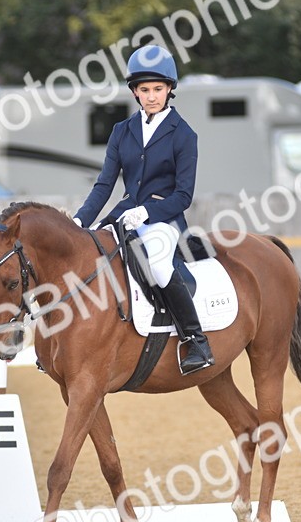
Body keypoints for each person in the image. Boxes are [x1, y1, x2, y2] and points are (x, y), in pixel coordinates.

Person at [73, 45, 213, 375]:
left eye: (158, 89)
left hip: (163, 220)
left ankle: (195, 340)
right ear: (135, 92)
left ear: (169, 90)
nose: (151, 96)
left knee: (161, 269)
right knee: (85, 258)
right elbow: (104, 186)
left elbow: (184, 195)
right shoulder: (122, 132)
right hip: (122, 217)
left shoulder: (183, 134)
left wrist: (148, 213)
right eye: (145, 90)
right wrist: (81, 220)